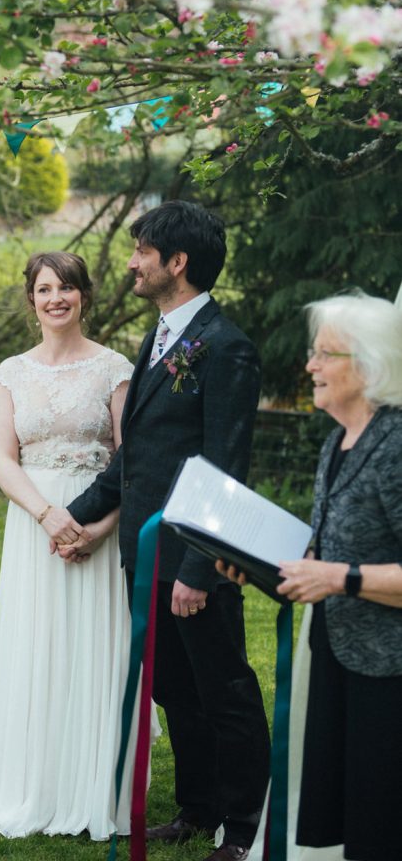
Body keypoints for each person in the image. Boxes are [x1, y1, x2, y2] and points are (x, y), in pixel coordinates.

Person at [47, 201, 271, 861]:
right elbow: (139, 457)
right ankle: (197, 807)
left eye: (142, 249)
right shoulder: (161, 338)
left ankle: (243, 825)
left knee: (222, 688)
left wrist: (199, 569)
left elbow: (224, 467)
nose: (131, 260)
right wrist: (74, 513)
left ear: (176, 262)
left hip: (193, 559)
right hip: (142, 557)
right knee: (172, 689)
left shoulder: (226, 348)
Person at [0, 250, 150, 840]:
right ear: (31, 300)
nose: (56, 299)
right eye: (45, 290)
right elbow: (1, 458)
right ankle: (31, 781)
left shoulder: (115, 369)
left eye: (66, 288)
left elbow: (130, 459)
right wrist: (47, 516)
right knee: (35, 643)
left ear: (84, 296)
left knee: (93, 647)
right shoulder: (11, 371)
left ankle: (94, 785)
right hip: (33, 525)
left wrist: (99, 527)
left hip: (100, 523)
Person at [220, 291, 402, 861]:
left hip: (389, 671)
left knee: (383, 822)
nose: (310, 367)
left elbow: (338, 568)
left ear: (369, 366)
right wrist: (257, 568)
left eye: (326, 355)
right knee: (352, 819)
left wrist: (340, 579)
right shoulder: (337, 442)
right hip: (337, 657)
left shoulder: (397, 446)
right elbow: (324, 553)